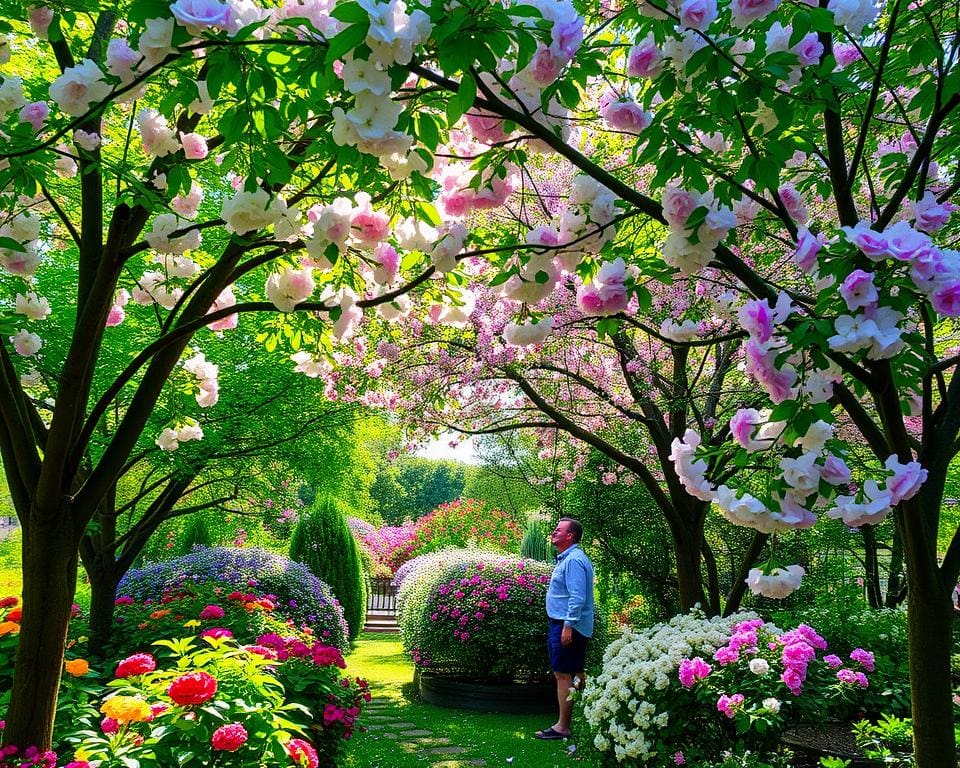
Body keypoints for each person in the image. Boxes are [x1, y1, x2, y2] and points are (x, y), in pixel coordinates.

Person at [535, 517, 594, 740]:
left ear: (571, 536)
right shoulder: (570, 558)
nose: (554, 532)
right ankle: (589, 713)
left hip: (567, 625)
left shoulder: (574, 561)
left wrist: (568, 625)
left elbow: (577, 597)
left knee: (563, 674)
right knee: (576, 671)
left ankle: (563, 726)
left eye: (559, 530)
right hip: (565, 623)